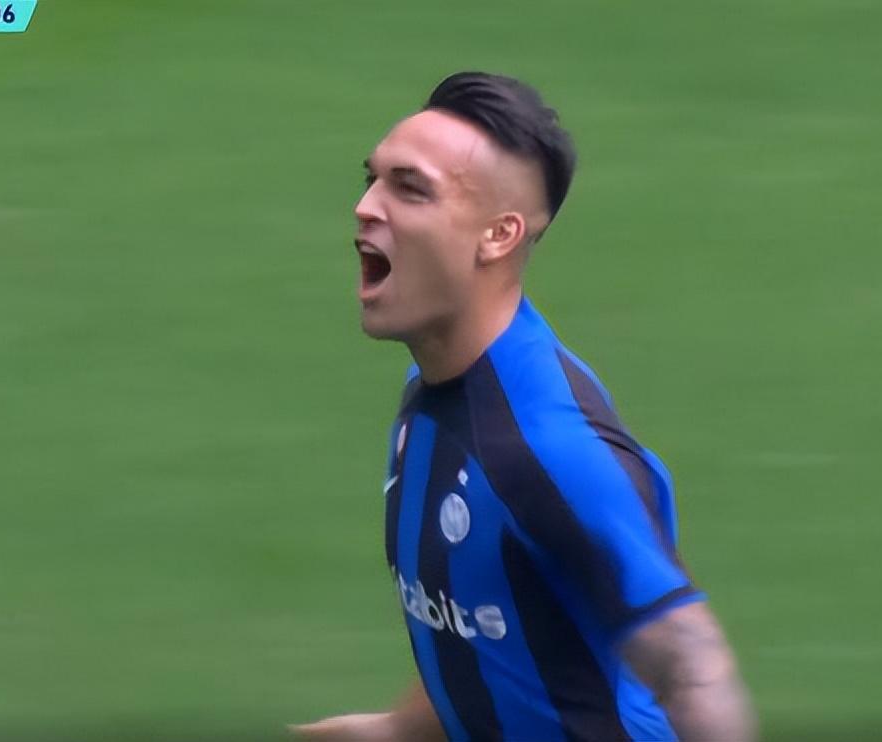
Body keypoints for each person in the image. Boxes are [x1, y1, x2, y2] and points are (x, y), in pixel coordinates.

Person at [292, 72, 756, 742]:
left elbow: (693, 668)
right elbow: (492, 624)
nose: (366, 206)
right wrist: (394, 729)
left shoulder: (548, 450)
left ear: (498, 235)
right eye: (373, 179)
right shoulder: (434, 394)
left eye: (410, 188)